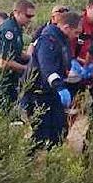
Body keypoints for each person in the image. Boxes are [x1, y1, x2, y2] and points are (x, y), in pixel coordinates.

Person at [20, 12, 82, 149]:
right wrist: (60, 87)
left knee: (60, 129)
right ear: (66, 27)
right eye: (76, 32)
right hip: (37, 93)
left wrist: (74, 66)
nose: (77, 36)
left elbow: (65, 58)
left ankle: (53, 159)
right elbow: (47, 68)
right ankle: (27, 161)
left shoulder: (63, 39)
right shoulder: (48, 40)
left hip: (51, 92)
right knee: (41, 134)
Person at [0, 0, 35, 103]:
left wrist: (31, 58)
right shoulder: (9, 30)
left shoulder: (16, 27)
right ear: (17, 13)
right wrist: (27, 69)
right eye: (28, 16)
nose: (30, 19)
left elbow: (14, 52)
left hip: (9, 76)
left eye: (32, 16)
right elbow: (4, 62)